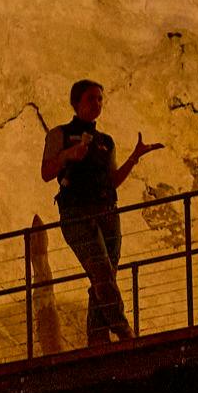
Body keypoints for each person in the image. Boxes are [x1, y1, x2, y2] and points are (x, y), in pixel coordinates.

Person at [39, 78, 160, 345]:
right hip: (77, 213)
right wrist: (69, 154)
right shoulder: (59, 134)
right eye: (91, 98)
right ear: (76, 103)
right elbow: (46, 172)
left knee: (104, 276)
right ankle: (123, 330)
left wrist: (134, 157)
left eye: (100, 99)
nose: (97, 104)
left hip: (107, 211)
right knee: (102, 271)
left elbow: (112, 181)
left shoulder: (106, 141)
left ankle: (97, 338)